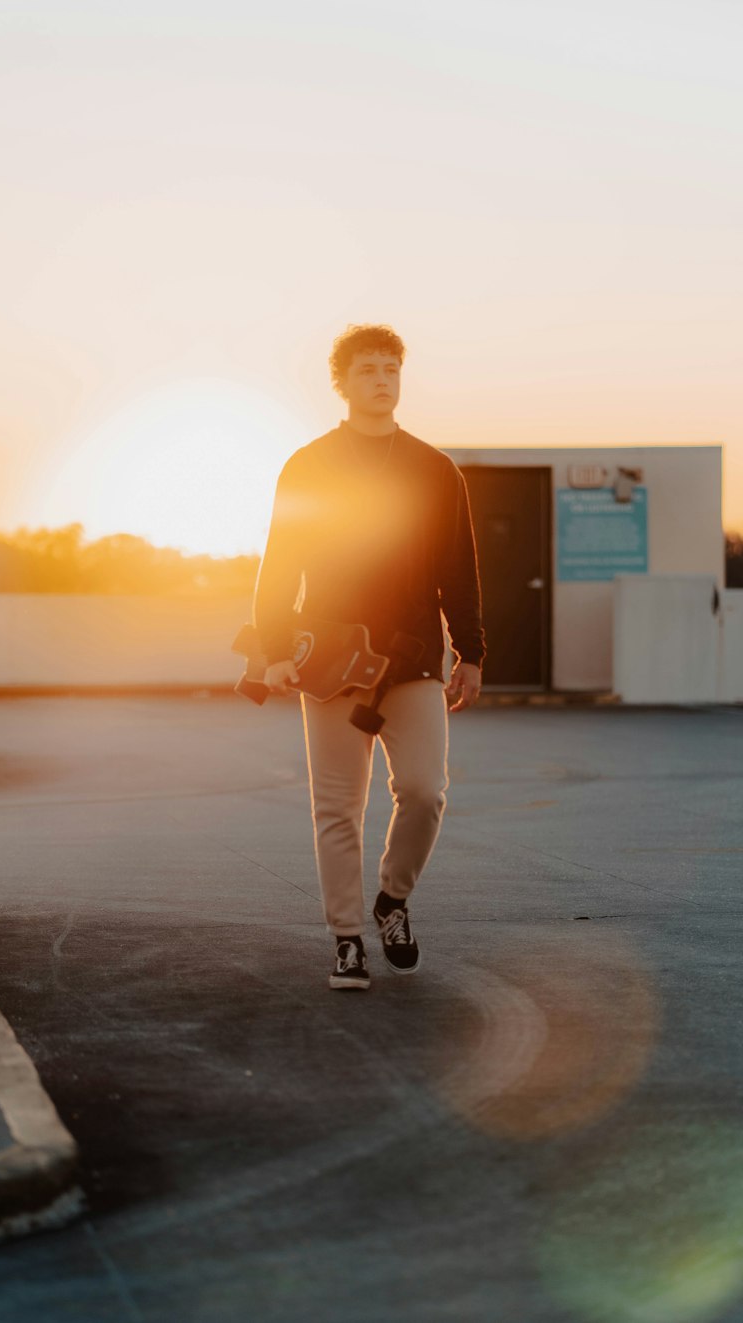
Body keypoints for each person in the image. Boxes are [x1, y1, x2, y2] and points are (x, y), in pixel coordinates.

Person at [253, 324, 485, 990]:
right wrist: (272, 649)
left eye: (391, 369)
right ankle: (348, 936)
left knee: (424, 792)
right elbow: (281, 563)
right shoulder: (309, 464)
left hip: (412, 660)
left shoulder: (436, 470)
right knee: (337, 807)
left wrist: (471, 650)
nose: (382, 379)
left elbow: (459, 570)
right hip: (329, 661)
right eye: (368, 370)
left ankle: (392, 898)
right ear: (343, 382)